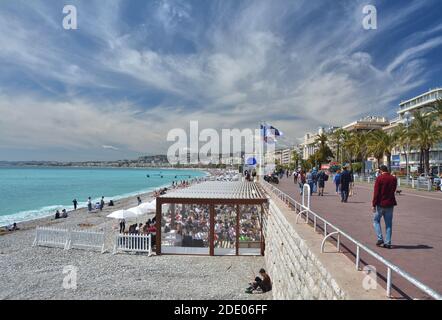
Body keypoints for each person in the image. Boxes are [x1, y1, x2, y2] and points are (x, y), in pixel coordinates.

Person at [372, 165, 397, 249]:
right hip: (390, 204)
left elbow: (376, 193)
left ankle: (380, 238)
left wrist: (373, 204)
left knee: (376, 220)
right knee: (389, 224)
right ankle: (388, 242)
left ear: (381, 171)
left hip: (380, 204)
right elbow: (393, 190)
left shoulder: (379, 178)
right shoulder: (393, 178)